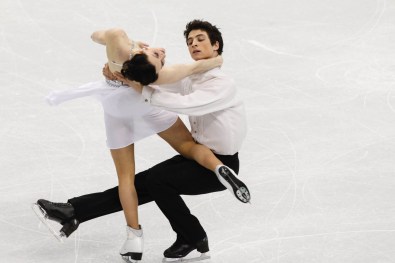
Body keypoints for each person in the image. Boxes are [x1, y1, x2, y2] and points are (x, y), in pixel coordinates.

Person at [35, 20, 249, 262]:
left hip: (222, 161)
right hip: (199, 157)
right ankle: (74, 212)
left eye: (200, 39)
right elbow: (160, 81)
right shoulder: (192, 78)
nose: (194, 44)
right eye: (190, 41)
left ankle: (192, 236)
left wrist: (136, 84)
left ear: (216, 44)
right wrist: (126, 76)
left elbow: (180, 103)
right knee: (141, 183)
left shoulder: (222, 85)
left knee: (158, 181)